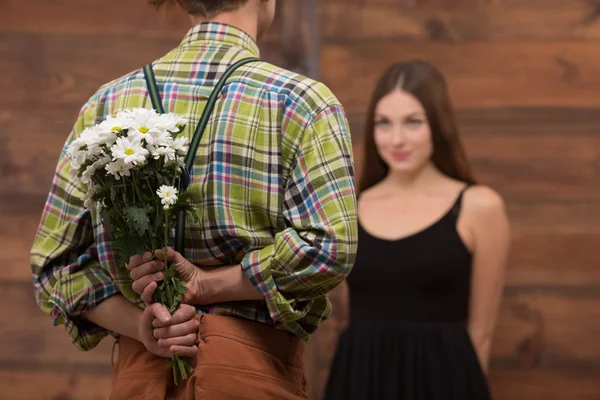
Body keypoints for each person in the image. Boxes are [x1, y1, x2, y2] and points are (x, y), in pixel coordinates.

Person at [30, 1, 358, 398]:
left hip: (141, 379)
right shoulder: (300, 102)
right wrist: (205, 285)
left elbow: (56, 266)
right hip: (252, 377)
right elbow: (328, 247)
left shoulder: (108, 104)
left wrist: (143, 326)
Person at [324, 60, 510, 400]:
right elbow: (351, 313)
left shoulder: (479, 206)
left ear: (438, 125)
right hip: (359, 378)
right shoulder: (352, 205)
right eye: (384, 123)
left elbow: (481, 334)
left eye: (413, 122)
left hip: (446, 382)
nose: (397, 139)